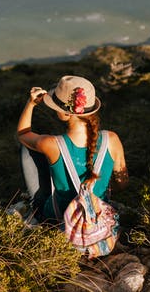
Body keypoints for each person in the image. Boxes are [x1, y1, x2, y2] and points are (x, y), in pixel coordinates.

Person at [17, 75, 128, 221]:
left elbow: (22, 134)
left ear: (66, 113)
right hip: (97, 217)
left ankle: (37, 204)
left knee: (27, 148)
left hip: (60, 217)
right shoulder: (112, 139)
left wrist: (31, 104)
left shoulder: (51, 144)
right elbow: (122, 183)